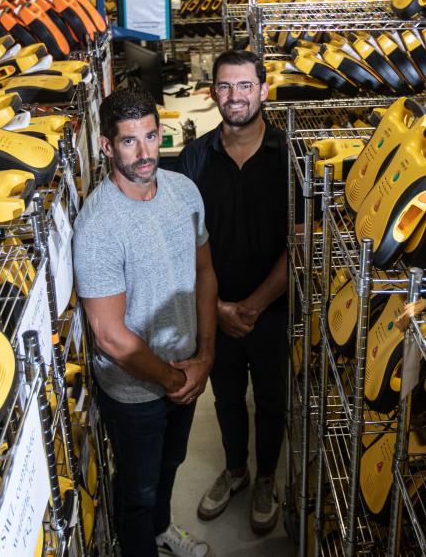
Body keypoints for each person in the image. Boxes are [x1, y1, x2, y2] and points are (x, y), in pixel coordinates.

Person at [73, 89, 218, 557]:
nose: (144, 152)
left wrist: (206, 357)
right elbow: (111, 337)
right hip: (135, 391)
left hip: (186, 372)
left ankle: (161, 533)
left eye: (151, 136)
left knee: (171, 464)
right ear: (106, 146)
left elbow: (204, 273)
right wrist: (176, 378)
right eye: (130, 141)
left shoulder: (184, 192)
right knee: (136, 490)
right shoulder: (98, 226)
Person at [178, 50, 290, 535]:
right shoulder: (194, 158)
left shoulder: (291, 156)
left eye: (245, 86)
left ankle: (266, 476)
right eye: (225, 87)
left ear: (264, 91)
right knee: (224, 397)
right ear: (212, 94)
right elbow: (182, 242)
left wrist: (252, 306)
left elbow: (299, 242)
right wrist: (218, 308)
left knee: (271, 399)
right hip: (214, 310)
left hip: (273, 307)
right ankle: (236, 471)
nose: (235, 96)